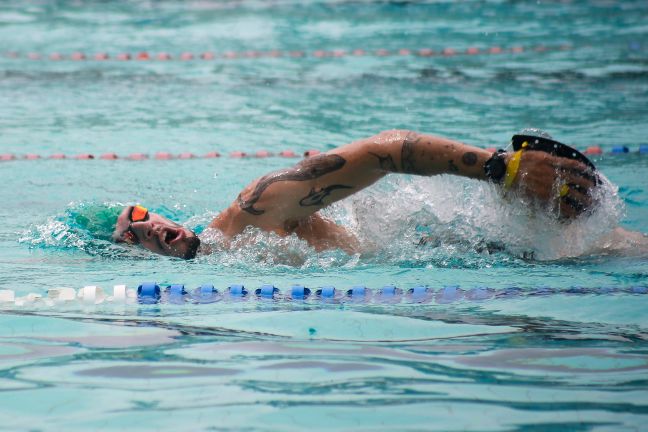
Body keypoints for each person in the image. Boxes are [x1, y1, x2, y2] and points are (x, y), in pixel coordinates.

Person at [112, 130, 601, 259]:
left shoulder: (253, 210)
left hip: (463, 244)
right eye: (133, 238)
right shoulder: (226, 262)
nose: (145, 227)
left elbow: (381, 150)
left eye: (139, 215)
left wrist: (502, 169)